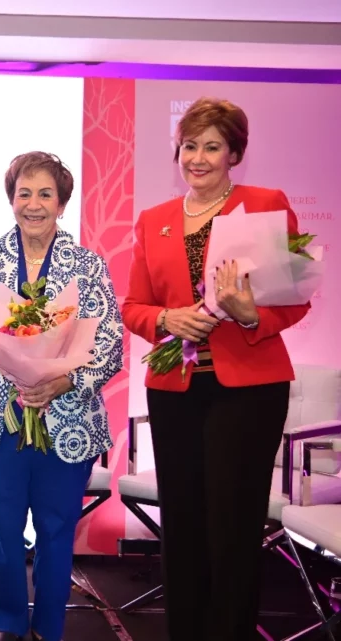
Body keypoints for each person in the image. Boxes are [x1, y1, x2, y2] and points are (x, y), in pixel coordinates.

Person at [122, 97, 311, 641]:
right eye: (189, 146)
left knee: (233, 524)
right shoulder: (154, 220)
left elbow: (296, 298)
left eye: (211, 147)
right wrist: (166, 318)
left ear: (234, 154)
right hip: (175, 387)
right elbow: (133, 306)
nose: (197, 158)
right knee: (181, 520)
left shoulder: (264, 204)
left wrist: (255, 316)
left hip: (248, 390)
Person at [0, 152, 122, 641]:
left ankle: (49, 628)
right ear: (11, 199)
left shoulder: (87, 266)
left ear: (62, 203)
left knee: (57, 531)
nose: (33, 204)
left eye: (45, 194)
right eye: (24, 193)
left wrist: (65, 380)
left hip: (68, 424)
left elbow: (109, 346)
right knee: (1, 531)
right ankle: (9, 625)